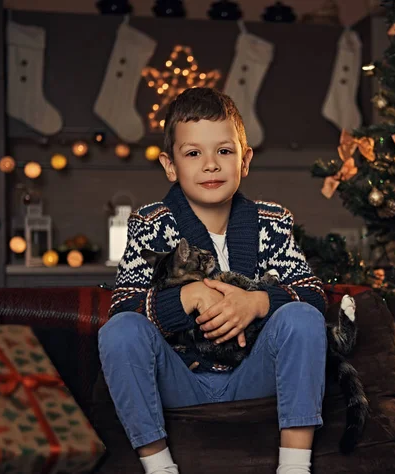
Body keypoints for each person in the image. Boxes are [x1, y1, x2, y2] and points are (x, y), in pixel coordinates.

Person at [98, 87, 328, 474]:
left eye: (224, 151)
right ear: (170, 166)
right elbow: (124, 307)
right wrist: (187, 295)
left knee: (302, 318)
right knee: (119, 331)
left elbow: (315, 296)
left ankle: (294, 465)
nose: (211, 165)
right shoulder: (151, 224)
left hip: (253, 375)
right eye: (193, 154)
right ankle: (159, 466)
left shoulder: (270, 222)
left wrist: (258, 303)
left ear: (245, 160)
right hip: (179, 380)